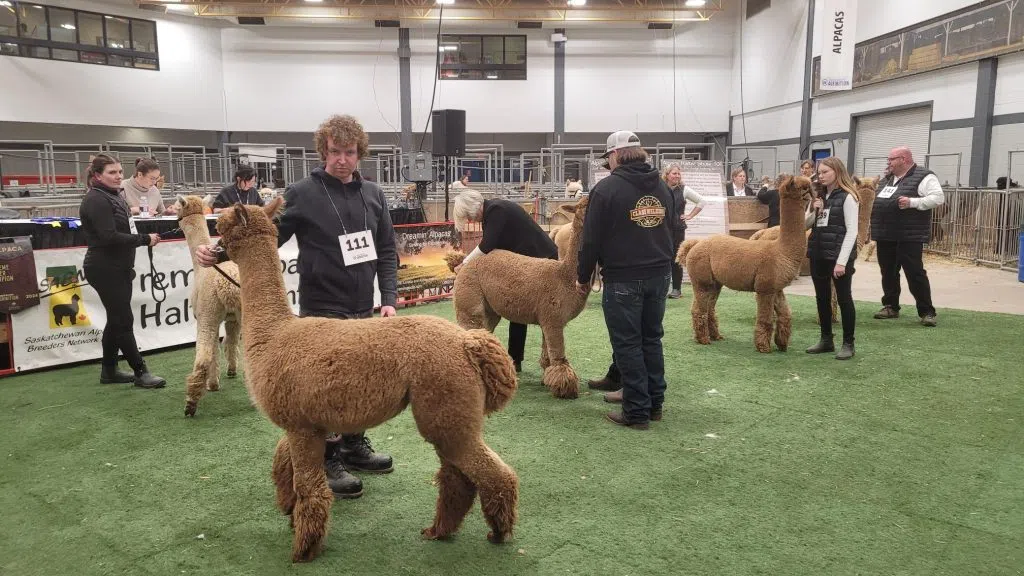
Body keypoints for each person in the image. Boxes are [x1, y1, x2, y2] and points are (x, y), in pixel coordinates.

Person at [197, 115, 396, 499]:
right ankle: (328, 457)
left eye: (349, 152)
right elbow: (262, 236)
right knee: (326, 389)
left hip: (364, 306)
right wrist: (218, 253)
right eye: (335, 152)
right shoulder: (302, 193)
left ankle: (354, 445)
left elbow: (386, 249)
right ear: (323, 151)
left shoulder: (373, 194)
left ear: (360, 153)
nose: (342, 159)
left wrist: (388, 299)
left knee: (357, 380)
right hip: (322, 306)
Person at [577, 131, 674, 430]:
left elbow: (590, 239)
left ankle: (636, 411)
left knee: (628, 344)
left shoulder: (606, 190)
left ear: (615, 155)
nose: (608, 164)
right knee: (651, 339)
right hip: (659, 273)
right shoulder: (662, 186)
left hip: (623, 277)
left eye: (608, 159)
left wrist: (583, 276)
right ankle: (654, 404)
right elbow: (673, 228)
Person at [78, 154, 167, 389]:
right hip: (105, 267)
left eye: (119, 171)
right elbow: (108, 236)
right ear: (98, 175)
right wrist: (144, 239)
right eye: (112, 172)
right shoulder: (96, 200)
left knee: (116, 319)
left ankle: (109, 370)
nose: (118, 176)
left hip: (118, 267)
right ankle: (141, 371)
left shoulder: (113, 196)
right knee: (123, 319)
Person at [452, 187, 558, 372]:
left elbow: (487, 245)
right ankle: (516, 359)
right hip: (530, 261)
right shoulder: (493, 213)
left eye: (469, 216)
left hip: (542, 259)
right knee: (517, 309)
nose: (470, 220)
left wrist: (465, 263)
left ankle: (550, 361)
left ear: (473, 208)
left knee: (544, 314)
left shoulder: (496, 211)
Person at [870, 146, 944, 327]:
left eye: (891, 159)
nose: (888, 163)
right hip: (885, 234)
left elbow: (938, 198)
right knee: (888, 272)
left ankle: (927, 311)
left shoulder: (924, 176)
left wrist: (913, 202)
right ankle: (890, 306)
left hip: (909, 235)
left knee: (915, 273)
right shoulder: (887, 179)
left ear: (903, 159)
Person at [804, 157, 860, 360]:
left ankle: (848, 343)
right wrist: (815, 209)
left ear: (837, 172)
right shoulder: (818, 196)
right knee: (822, 298)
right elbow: (805, 225)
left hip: (838, 256)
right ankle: (826, 339)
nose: (821, 176)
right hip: (818, 254)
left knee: (844, 299)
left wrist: (842, 262)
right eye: (819, 173)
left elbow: (852, 231)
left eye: (825, 172)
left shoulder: (848, 197)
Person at [664, 163, 705, 299]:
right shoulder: (660, 187)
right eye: (674, 173)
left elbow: (701, 201)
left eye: (678, 173)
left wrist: (690, 216)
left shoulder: (684, 189)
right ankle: (662, 289)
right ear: (667, 175)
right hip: (662, 229)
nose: (677, 176)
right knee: (662, 258)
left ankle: (676, 289)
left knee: (676, 258)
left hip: (678, 229)